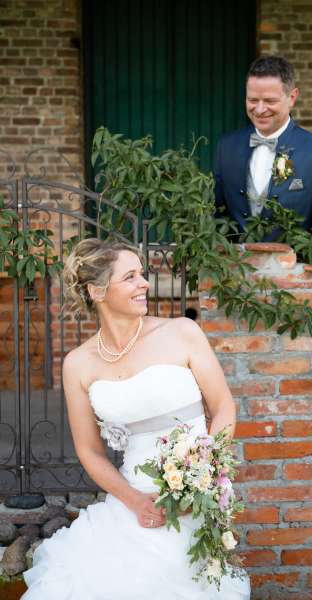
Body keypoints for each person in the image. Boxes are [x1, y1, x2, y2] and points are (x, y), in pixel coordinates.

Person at [21, 238, 250, 600]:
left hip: (195, 497)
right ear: (97, 291)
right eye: (130, 277)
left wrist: (201, 478)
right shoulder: (78, 363)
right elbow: (89, 451)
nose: (144, 284)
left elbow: (223, 407)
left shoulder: (182, 333)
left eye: (142, 274)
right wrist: (136, 501)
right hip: (131, 501)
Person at [214, 55, 312, 241]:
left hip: (292, 260)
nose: (259, 109)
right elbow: (215, 214)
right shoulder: (226, 146)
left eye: (270, 101)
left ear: (292, 97)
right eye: (253, 100)